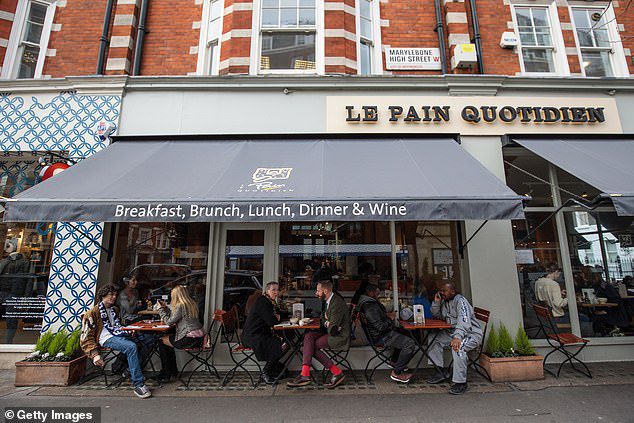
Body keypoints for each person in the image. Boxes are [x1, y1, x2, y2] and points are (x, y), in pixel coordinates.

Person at [80, 284, 153, 398]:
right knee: (131, 347)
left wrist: (130, 330)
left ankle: (129, 369)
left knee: (149, 339)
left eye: (115, 295)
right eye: (111, 295)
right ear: (103, 296)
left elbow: (118, 326)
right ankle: (138, 384)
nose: (114, 297)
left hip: (119, 335)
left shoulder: (115, 309)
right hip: (106, 339)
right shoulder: (92, 313)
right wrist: (95, 354)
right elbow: (85, 337)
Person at [287, 280, 350, 389]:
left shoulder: (337, 304)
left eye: (318, 291)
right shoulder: (328, 301)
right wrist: (327, 322)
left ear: (325, 291)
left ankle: (336, 373)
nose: (316, 293)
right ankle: (305, 374)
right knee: (309, 336)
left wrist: (327, 322)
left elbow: (333, 330)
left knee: (311, 346)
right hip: (330, 332)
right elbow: (322, 319)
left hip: (339, 336)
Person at [426, 282, 483, 395]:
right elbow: (437, 315)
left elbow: (464, 321)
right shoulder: (444, 301)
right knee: (434, 338)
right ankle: (439, 371)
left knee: (458, 347)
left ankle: (461, 383)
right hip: (452, 333)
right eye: (441, 290)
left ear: (453, 291)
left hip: (470, 334)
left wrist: (457, 337)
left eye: (444, 291)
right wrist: (437, 302)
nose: (442, 293)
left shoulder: (461, 301)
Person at [357, 284, 416, 383]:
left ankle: (394, 361)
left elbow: (376, 320)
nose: (378, 294)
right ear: (370, 293)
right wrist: (390, 318)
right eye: (377, 292)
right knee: (409, 343)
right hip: (381, 337)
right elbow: (380, 327)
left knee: (406, 332)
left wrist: (386, 315)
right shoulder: (370, 306)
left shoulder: (367, 303)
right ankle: (397, 373)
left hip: (380, 334)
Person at [155, 285, 205, 382]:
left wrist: (160, 309)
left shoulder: (180, 306)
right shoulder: (191, 303)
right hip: (198, 338)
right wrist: (166, 308)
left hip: (188, 339)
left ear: (176, 296)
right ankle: (171, 371)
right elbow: (176, 316)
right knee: (168, 339)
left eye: (172, 295)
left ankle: (166, 373)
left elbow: (169, 322)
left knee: (161, 341)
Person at [242, 282, 288, 384]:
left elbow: (278, 315)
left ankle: (274, 367)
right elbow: (272, 322)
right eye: (273, 290)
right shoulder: (262, 302)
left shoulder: (270, 301)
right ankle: (265, 372)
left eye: (277, 290)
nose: (276, 292)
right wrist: (277, 317)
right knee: (280, 343)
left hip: (260, 334)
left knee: (286, 340)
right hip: (252, 336)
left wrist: (279, 316)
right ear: (267, 291)